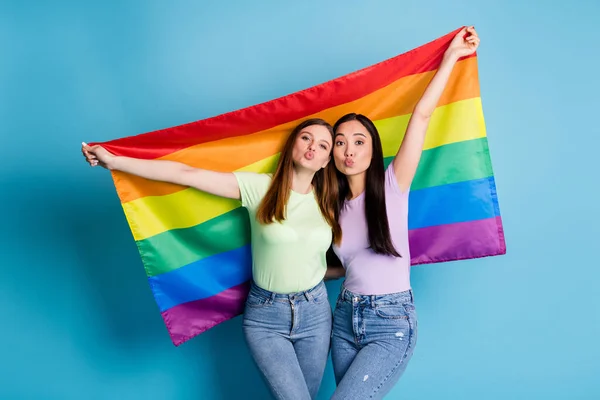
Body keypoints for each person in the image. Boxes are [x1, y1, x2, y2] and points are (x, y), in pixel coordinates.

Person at [81, 118, 341, 400]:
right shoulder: (260, 188)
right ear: (293, 144)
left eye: (323, 145)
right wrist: (115, 161)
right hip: (267, 316)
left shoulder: (328, 200)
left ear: (328, 160)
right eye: (306, 138)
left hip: (315, 313)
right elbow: (185, 173)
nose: (312, 147)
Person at [326, 27, 481, 399]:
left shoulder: (393, 185)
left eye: (359, 142)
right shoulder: (330, 205)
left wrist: (451, 56)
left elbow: (423, 115)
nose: (349, 150)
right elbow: (347, 266)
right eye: (341, 142)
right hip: (345, 318)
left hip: (390, 322)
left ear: (372, 149)